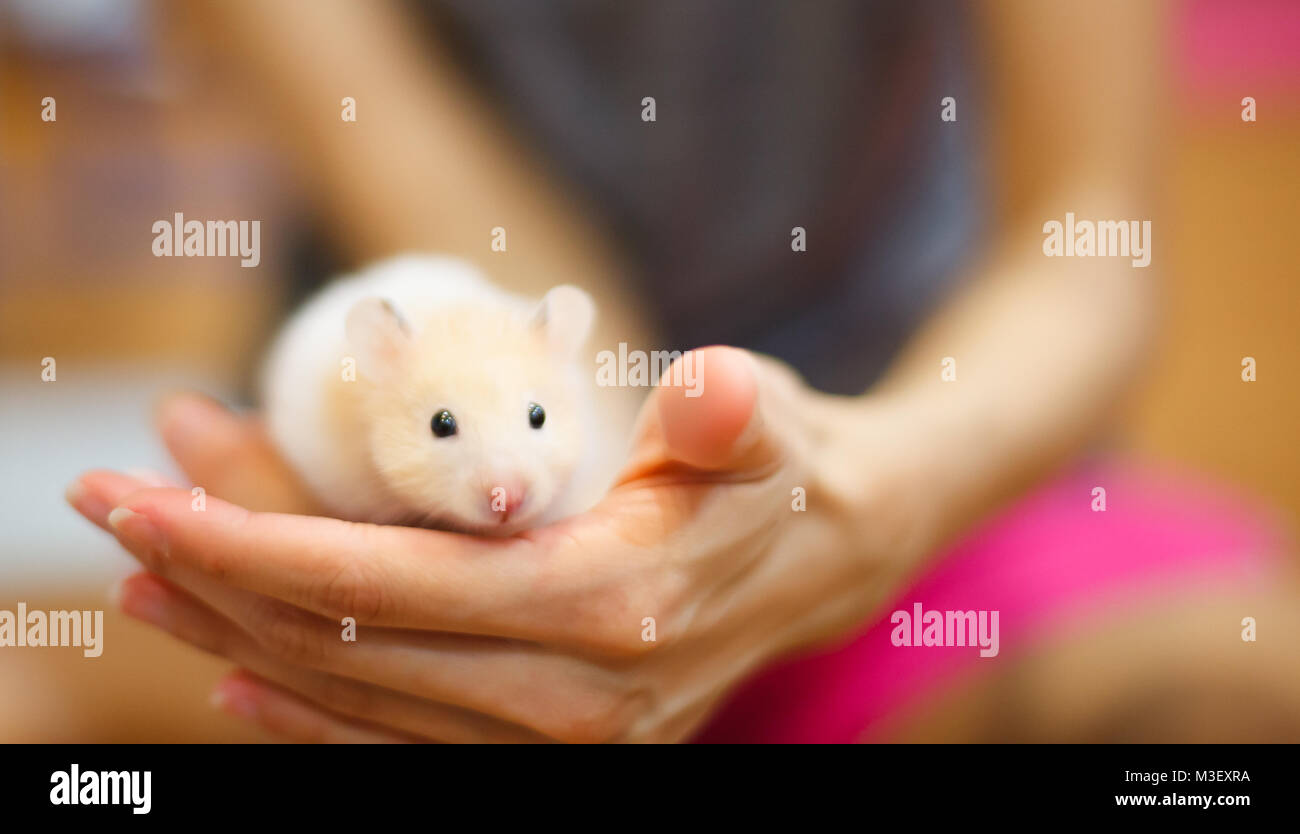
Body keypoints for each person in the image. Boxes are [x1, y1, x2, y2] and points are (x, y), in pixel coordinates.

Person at [66, 0, 1300, 741]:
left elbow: (1090, 239)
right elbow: (524, 291)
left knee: (1233, 702)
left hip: (931, 462)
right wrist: (606, 540)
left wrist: (869, 498)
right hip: (422, 568)